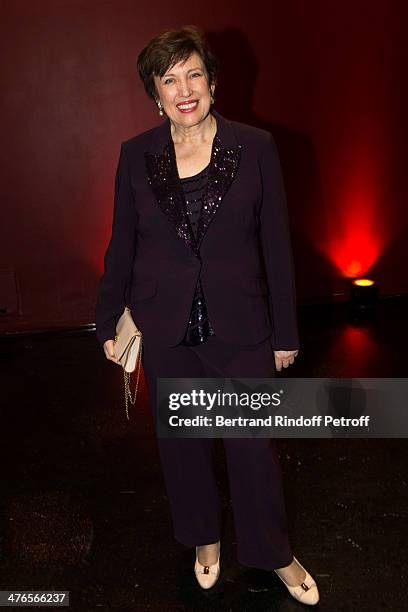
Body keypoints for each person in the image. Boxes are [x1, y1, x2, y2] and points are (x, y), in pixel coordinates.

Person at [95, 25, 319, 605]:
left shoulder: (257, 147)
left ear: (213, 84)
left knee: (253, 448)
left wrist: (284, 332)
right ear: (156, 94)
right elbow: (122, 244)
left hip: (242, 327)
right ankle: (203, 542)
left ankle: (274, 552)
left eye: (193, 74)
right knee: (184, 448)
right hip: (166, 328)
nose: (183, 88)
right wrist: (109, 319)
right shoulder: (135, 154)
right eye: (169, 79)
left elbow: (275, 245)